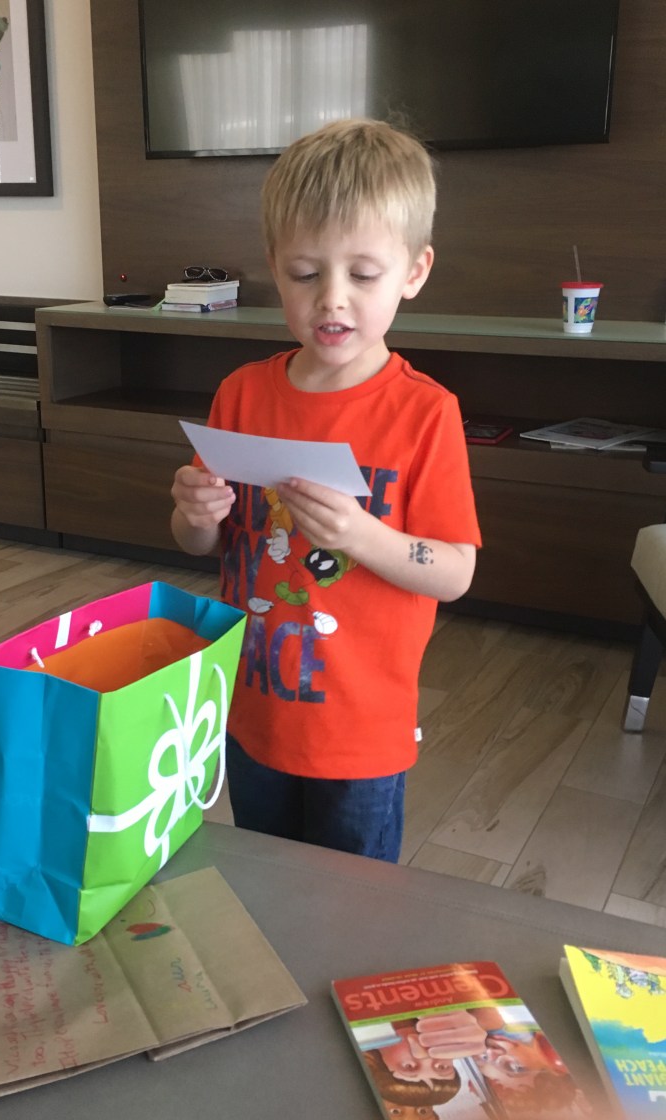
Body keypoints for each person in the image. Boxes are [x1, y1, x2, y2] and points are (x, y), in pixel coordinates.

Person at [170, 117, 481, 862]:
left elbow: (456, 572)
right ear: (275, 269)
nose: (332, 299)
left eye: (363, 275)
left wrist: (361, 536)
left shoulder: (425, 413)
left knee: (351, 905)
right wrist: (195, 513)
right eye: (306, 274)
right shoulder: (242, 393)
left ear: (414, 271)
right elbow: (200, 544)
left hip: (360, 733)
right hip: (251, 708)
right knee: (268, 880)